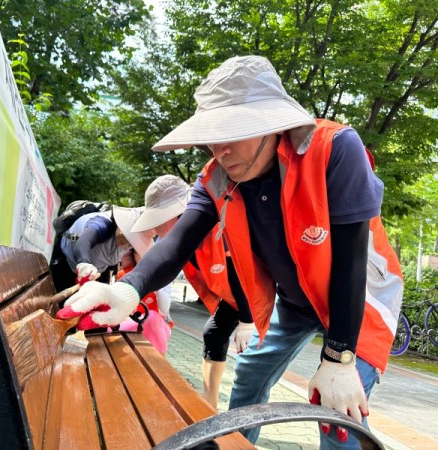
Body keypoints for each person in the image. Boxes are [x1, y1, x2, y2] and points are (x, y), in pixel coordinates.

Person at [57, 55, 404, 449]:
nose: (219, 150)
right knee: (251, 372)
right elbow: (176, 243)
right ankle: (239, 445)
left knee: (339, 412)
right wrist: (126, 290)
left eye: (232, 133)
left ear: (271, 125)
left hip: (358, 301)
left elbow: (351, 259)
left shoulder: (335, 150)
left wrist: (339, 355)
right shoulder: (217, 178)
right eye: (212, 136)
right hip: (293, 302)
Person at [130, 174, 254, 408]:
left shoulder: (220, 224)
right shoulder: (183, 241)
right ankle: (210, 405)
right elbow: (158, 269)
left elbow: (241, 271)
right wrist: (128, 291)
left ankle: (237, 429)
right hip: (234, 299)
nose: (155, 228)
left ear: (179, 215)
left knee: (253, 365)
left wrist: (247, 321)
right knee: (213, 334)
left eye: (159, 219)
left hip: (260, 298)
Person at [50, 205, 153, 292]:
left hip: (91, 278)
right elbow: (84, 241)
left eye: (133, 240)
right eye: (128, 234)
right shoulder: (101, 224)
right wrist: (84, 263)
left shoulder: (128, 244)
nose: (127, 242)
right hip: (65, 266)